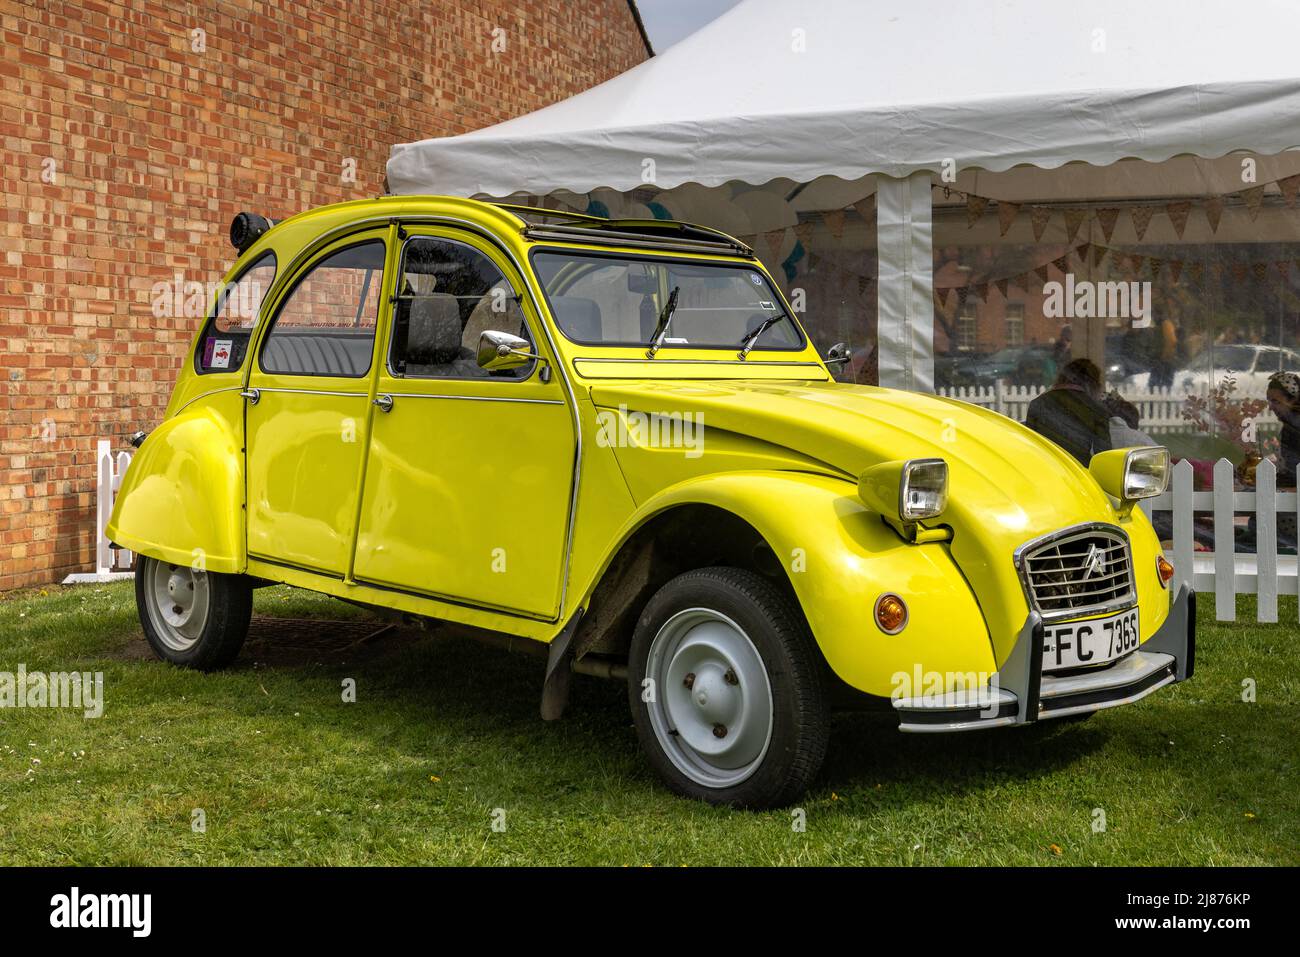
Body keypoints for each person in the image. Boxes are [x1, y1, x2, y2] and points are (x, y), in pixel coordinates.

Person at [1025, 358, 1112, 465]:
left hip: (1045, 469)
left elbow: (1030, 447)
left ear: (1062, 378)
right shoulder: (1097, 409)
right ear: (1094, 383)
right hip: (1078, 472)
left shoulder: (1038, 403)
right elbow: (1104, 456)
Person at [1267, 371, 1300, 489]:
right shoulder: (1289, 426)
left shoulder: (1295, 428)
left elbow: (1294, 470)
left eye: (1275, 401)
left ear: (1293, 400)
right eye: (1269, 401)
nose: (1270, 407)